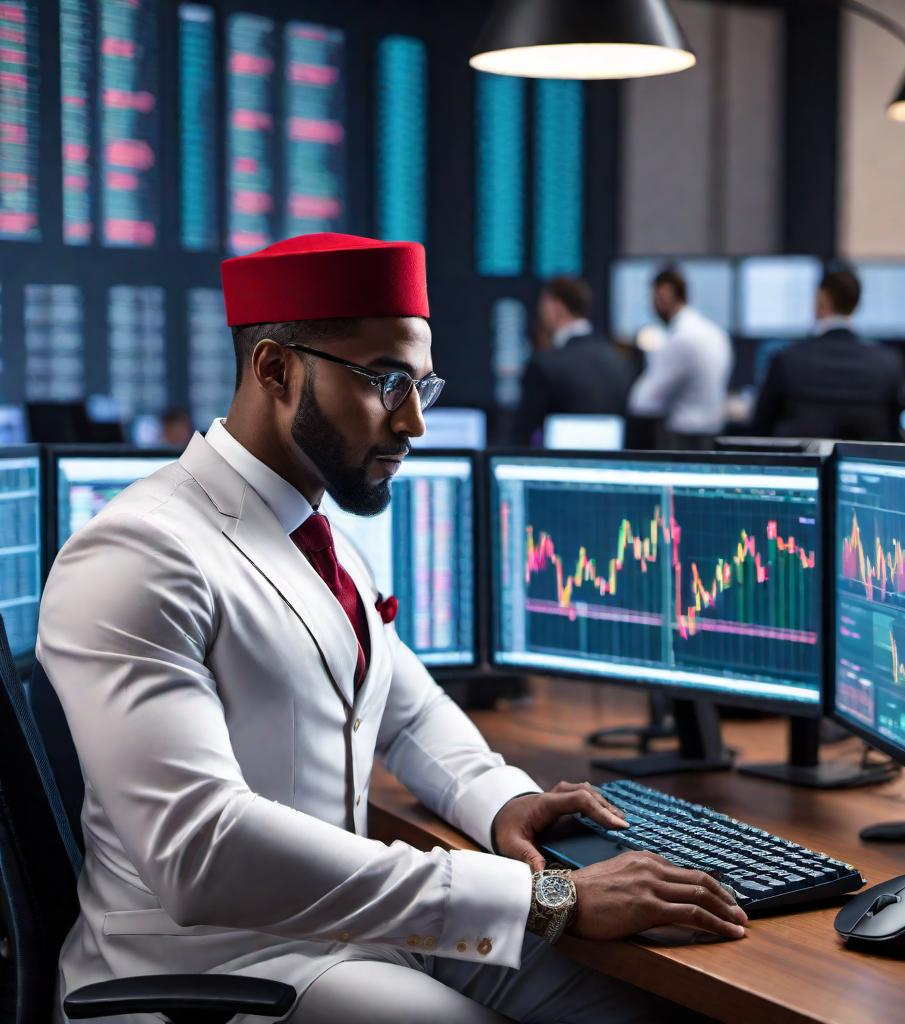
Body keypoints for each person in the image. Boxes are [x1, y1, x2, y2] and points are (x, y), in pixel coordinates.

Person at [38, 233, 746, 1024]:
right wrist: (547, 897)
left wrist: (504, 800)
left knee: (651, 1010)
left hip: (352, 934)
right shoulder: (139, 551)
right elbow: (203, 852)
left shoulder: (319, 534)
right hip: (215, 968)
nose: (413, 422)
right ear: (276, 369)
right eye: (387, 382)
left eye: (421, 385)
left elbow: (409, 710)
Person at [749, 268, 904, 440]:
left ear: (821, 301)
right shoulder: (888, 364)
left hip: (807, 465)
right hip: (863, 465)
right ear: (857, 304)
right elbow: (894, 436)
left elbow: (760, 431)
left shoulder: (788, 360)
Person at [510, 277, 633, 445]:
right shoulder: (619, 360)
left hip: (558, 467)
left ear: (557, 307)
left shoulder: (545, 364)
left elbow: (519, 438)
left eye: (543, 305)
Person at [627, 268, 734, 440]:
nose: (652, 306)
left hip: (684, 438)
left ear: (666, 294)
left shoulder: (680, 338)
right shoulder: (715, 332)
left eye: (654, 298)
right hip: (714, 434)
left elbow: (644, 401)